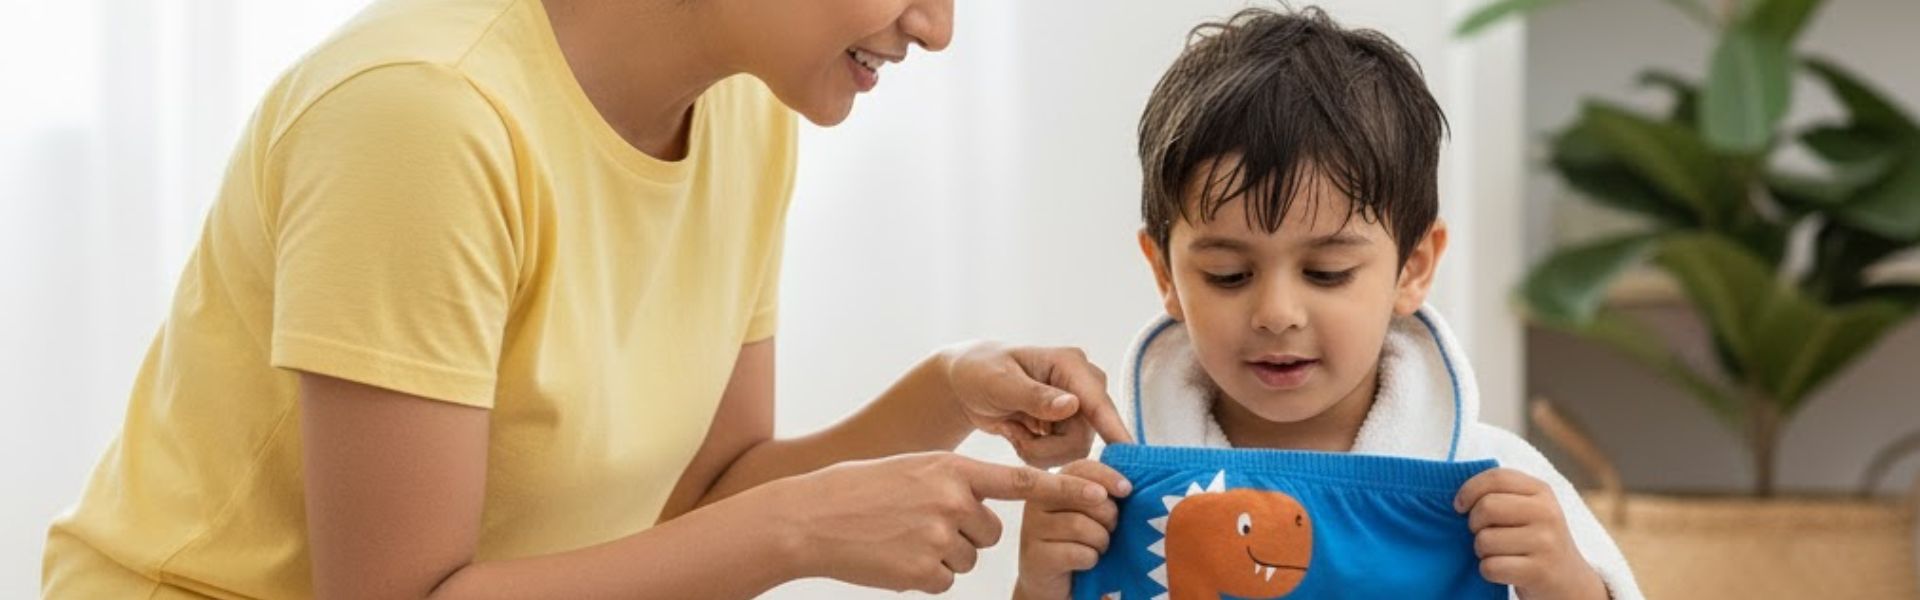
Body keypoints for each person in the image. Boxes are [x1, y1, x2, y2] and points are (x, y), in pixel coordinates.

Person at [43, 0, 1134, 597]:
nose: (937, 26)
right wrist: (803, 529)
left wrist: (942, 393)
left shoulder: (745, 119)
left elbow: (698, 501)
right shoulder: (424, 115)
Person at [1013, 7, 1641, 600]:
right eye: (1229, 274)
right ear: (1166, 274)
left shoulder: (1493, 478)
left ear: (1412, 268)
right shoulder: (1117, 494)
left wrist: (1570, 584)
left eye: (1327, 271)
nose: (1277, 312)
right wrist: (1041, 585)